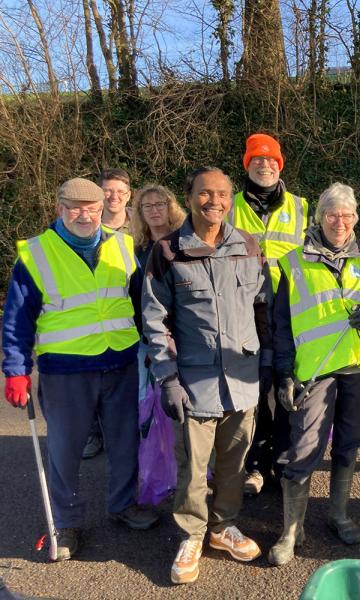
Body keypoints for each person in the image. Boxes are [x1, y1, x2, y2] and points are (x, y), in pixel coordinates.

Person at [2, 178, 159, 562]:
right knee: (65, 450)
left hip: (120, 362)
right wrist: (16, 369)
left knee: (125, 442)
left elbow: (141, 303)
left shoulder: (122, 245)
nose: (85, 215)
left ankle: (123, 505)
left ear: (103, 208)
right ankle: (66, 521)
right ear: (59, 209)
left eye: (92, 207)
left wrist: (155, 347)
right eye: (75, 208)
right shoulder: (37, 254)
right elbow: (17, 319)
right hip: (65, 372)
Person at [142, 167, 270, 585]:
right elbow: (155, 320)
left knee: (234, 463)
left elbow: (263, 310)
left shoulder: (248, 246)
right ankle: (192, 534)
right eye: (204, 193)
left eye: (222, 194)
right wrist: (167, 378)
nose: (214, 201)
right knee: (194, 467)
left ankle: (222, 527)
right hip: (193, 382)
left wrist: (268, 365)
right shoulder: (167, 252)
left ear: (230, 199)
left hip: (242, 380)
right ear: (190, 196)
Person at [268, 182, 360, 566]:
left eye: (347, 215)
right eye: (332, 214)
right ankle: (291, 530)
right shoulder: (292, 262)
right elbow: (281, 325)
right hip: (315, 370)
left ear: (356, 219)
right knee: (303, 447)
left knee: (350, 443)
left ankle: (339, 514)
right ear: (319, 218)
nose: (340, 221)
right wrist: (284, 373)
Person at [231, 133, 310, 497]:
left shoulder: (302, 205)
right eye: (256, 160)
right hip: (246, 310)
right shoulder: (230, 206)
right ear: (246, 164)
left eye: (271, 160)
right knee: (253, 389)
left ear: (281, 164)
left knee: (288, 383)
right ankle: (255, 465)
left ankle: (281, 461)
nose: (264, 165)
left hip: (292, 307)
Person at [81, 168, 135, 459]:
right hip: (91, 314)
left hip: (128, 314)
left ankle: (122, 432)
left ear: (129, 195)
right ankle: (92, 433)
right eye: (107, 191)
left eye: (120, 191)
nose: (114, 197)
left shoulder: (139, 227)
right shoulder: (85, 224)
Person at [130, 185, 186, 398]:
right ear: (140, 212)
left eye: (160, 204)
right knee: (145, 396)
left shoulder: (184, 243)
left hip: (181, 333)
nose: (154, 210)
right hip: (145, 335)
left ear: (170, 207)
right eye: (148, 206)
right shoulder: (136, 250)